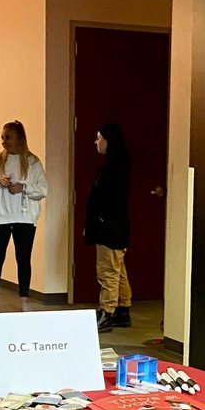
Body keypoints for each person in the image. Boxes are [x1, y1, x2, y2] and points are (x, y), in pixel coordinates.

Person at [0, 120, 47, 312]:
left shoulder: (32, 162)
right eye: (2, 137)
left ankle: (24, 301)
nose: (3, 141)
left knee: (23, 259)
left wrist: (24, 188)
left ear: (19, 138)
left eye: (7, 137)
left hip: (25, 218)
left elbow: (43, 189)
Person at [84, 122, 132, 333]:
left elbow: (106, 199)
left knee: (108, 271)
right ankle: (123, 310)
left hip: (109, 227)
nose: (96, 142)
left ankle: (107, 311)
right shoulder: (115, 164)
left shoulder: (115, 167)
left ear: (108, 140)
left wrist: (98, 222)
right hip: (112, 225)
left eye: (98, 138)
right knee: (118, 269)